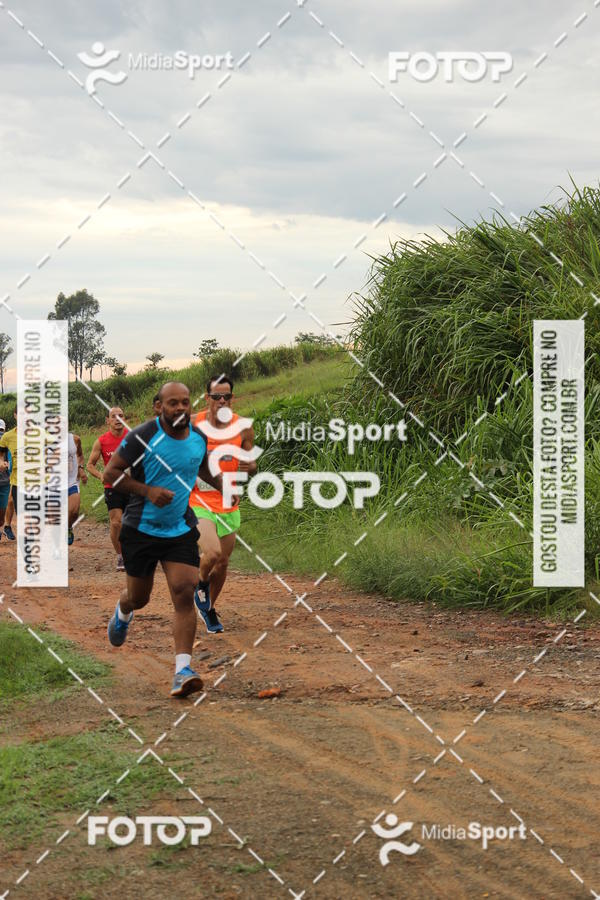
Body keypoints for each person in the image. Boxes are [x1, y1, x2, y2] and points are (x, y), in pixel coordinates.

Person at [103, 381, 233, 698]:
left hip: (178, 527)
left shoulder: (197, 438)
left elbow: (201, 467)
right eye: (173, 403)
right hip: (141, 527)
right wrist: (147, 491)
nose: (180, 408)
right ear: (159, 406)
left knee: (184, 591)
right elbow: (111, 474)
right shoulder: (143, 437)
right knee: (140, 597)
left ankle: (182, 671)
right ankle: (123, 610)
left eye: (185, 402)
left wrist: (223, 485)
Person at [189, 375, 257, 634]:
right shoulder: (193, 424)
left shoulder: (242, 427)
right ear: (207, 398)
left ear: (232, 398)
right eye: (215, 396)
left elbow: (251, 464)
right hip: (196, 499)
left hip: (229, 501)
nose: (221, 401)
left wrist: (249, 466)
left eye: (226, 396)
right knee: (212, 553)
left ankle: (207, 607)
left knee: (223, 563)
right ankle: (201, 586)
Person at [87, 407, 128, 571]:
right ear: (108, 420)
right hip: (113, 487)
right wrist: (100, 476)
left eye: (121, 416)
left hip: (133, 486)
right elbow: (90, 465)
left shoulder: (132, 438)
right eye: (114, 416)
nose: (118, 419)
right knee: (116, 522)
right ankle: (120, 556)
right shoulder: (102, 441)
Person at [0, 408, 18, 541]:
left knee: (3, 512)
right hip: (9, 479)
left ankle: (5, 526)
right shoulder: (8, 438)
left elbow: (12, 460)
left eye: (1, 431)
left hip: (7, 480)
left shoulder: (9, 440)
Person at [67, 432, 87, 545]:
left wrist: (81, 468)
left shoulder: (75, 439)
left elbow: (80, 455)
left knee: (74, 512)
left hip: (72, 482)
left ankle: (68, 527)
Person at [0, 419, 11, 539]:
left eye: (1, 431)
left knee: (1, 514)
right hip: (5, 482)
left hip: (4, 482)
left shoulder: (9, 443)